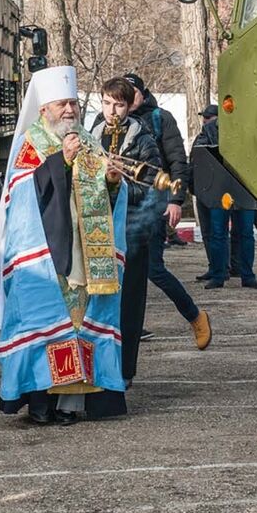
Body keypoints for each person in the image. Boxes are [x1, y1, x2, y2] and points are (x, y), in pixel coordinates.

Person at [0, 66, 128, 426]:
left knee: (78, 328)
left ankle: (69, 404)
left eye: (73, 104)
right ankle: (39, 403)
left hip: (83, 255)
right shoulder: (30, 142)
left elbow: (104, 198)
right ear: (44, 108)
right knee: (44, 326)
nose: (69, 111)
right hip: (43, 256)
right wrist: (60, 160)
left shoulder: (89, 142)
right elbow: (23, 192)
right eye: (62, 104)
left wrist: (111, 181)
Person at [123, 73, 211, 346]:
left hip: (152, 205)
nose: (126, 100)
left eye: (132, 93)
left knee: (153, 269)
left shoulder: (161, 118)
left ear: (142, 92)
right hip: (118, 207)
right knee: (118, 271)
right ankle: (127, 326)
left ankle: (195, 316)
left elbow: (177, 163)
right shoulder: (108, 121)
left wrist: (175, 200)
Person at [92, 77, 161, 385]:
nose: (112, 111)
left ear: (130, 104)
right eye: (107, 103)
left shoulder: (143, 138)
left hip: (132, 231)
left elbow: (152, 189)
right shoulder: (93, 135)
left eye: (118, 104)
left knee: (129, 303)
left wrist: (118, 185)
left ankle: (125, 369)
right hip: (98, 229)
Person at [192, 113, 257, 290]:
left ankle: (247, 275)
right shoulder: (209, 129)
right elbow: (199, 155)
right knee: (218, 233)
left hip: (245, 188)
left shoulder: (250, 127)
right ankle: (218, 275)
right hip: (220, 190)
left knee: (245, 233)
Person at [192, 104, 216, 282]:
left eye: (208, 117)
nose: (205, 120)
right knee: (208, 232)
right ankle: (215, 266)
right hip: (201, 189)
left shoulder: (214, 134)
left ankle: (222, 267)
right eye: (204, 117)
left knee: (217, 232)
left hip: (215, 190)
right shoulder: (201, 136)